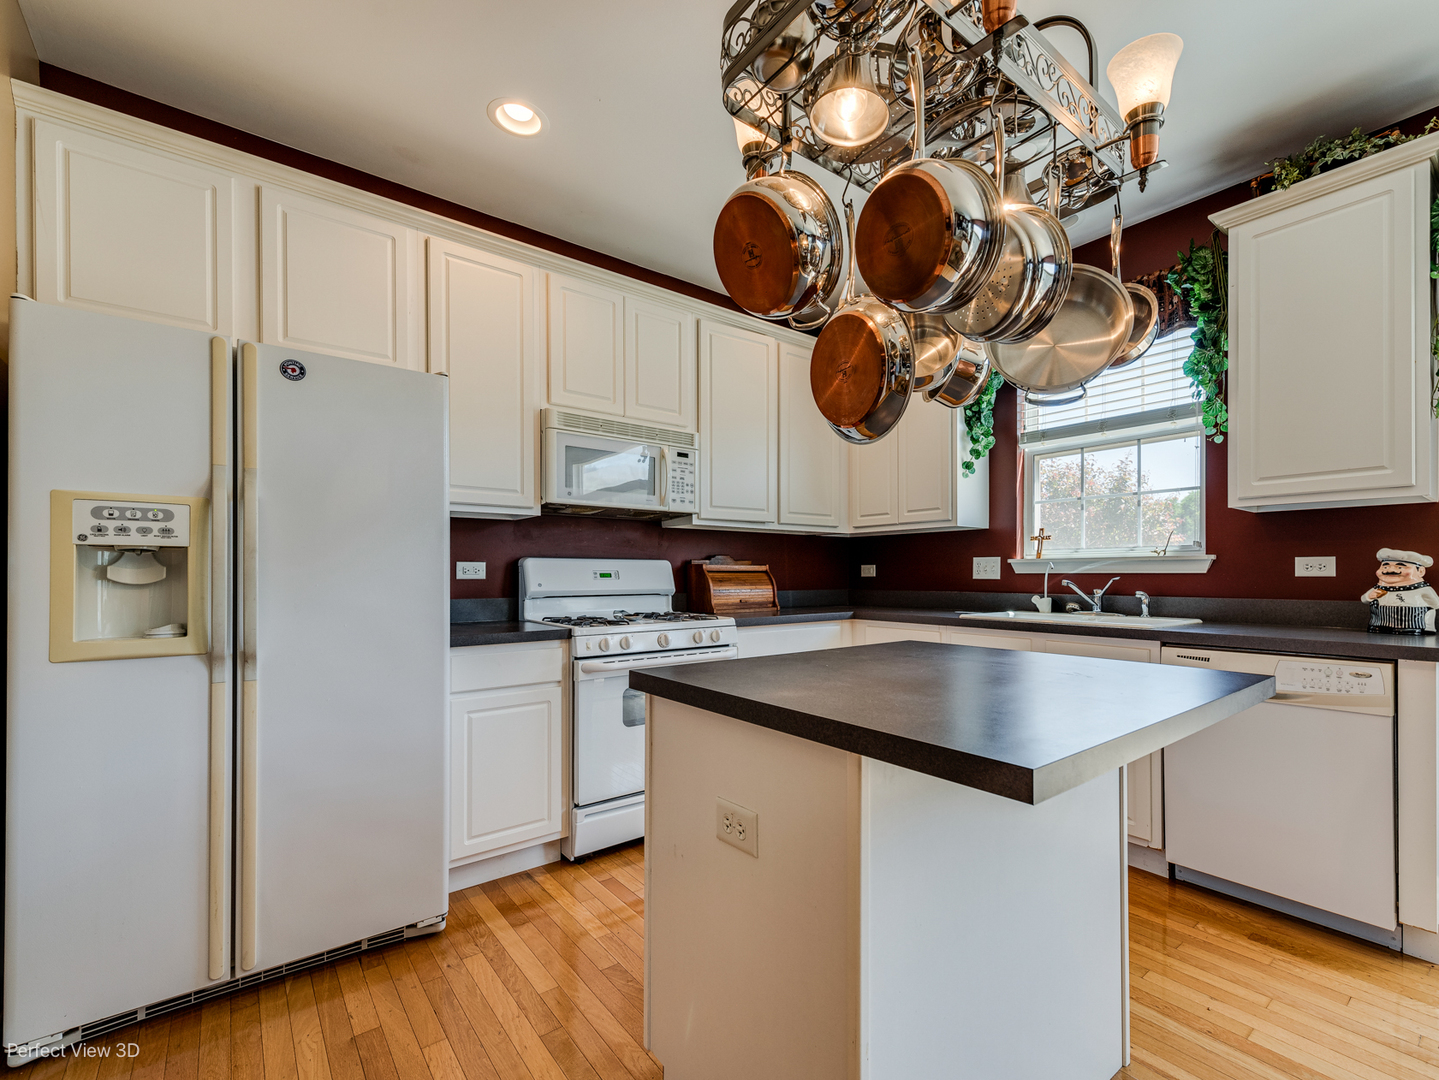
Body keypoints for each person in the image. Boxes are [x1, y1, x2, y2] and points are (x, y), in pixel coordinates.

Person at [1362, 548, 1439, 633]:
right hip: (1379, 623)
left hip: (1413, 625)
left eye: (1400, 567)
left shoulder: (1423, 589)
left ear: (1420, 571)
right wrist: (1369, 596)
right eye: (1385, 566)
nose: (1390, 570)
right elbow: (1364, 599)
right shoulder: (1379, 588)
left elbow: (1436, 604)